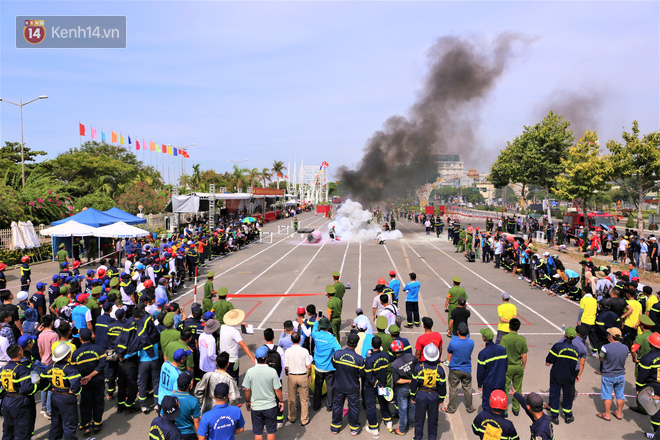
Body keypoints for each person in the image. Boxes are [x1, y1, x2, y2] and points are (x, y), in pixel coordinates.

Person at [243, 345, 284, 440]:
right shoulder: (272, 371)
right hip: (270, 407)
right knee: (270, 431)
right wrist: (281, 401)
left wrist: (248, 401)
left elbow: (247, 390)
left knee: (258, 432)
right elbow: (277, 390)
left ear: (256, 358)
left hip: (256, 407)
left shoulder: (250, 372)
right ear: (267, 358)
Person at [44, 341, 82, 440]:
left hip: (55, 396)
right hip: (67, 398)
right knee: (69, 424)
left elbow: (42, 381)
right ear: (68, 354)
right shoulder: (70, 369)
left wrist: (50, 388)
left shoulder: (50, 367)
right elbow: (76, 385)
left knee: (56, 423)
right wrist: (74, 392)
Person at [71, 328, 106, 435]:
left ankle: (85, 426)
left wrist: (84, 378)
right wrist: (91, 375)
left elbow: (73, 370)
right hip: (98, 381)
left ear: (80, 338)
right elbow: (102, 364)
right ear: (91, 336)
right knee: (98, 402)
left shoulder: (76, 353)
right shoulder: (99, 349)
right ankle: (96, 424)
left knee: (85, 403)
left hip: (84, 382)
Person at [1, 343, 38, 440]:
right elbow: (27, 389)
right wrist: (37, 386)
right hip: (21, 404)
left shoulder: (3, 369)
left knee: (8, 431)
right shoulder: (22, 369)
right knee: (22, 432)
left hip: (7, 403)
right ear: (19, 352)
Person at [330, 333, 364, 436]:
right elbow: (361, 374)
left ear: (347, 341)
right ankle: (354, 428)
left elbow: (334, 365)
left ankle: (335, 427)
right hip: (352, 387)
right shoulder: (359, 359)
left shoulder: (337, 354)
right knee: (353, 407)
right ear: (357, 344)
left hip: (339, 385)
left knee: (337, 405)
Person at [410, 343, 446, 440]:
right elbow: (442, 386)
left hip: (421, 395)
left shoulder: (418, 367)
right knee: (433, 421)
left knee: (419, 420)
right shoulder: (440, 370)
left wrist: (413, 396)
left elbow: (414, 384)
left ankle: (418, 438)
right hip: (434, 396)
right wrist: (441, 398)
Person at [544, 327, 579, 425]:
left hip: (556, 375)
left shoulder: (557, 346)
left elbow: (549, 359)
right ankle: (568, 416)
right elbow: (576, 364)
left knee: (555, 395)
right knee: (567, 395)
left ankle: (554, 417)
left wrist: (548, 361)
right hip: (569, 376)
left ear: (565, 335)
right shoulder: (576, 350)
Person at [596, 327, 629, 422]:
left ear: (611, 336)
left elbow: (601, 359)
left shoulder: (605, 347)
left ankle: (606, 414)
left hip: (608, 375)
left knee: (607, 395)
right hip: (620, 375)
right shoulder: (625, 348)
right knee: (620, 395)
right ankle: (618, 413)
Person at [443, 322, 475, 414]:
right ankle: (470, 407)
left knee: (453, 389)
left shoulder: (453, 343)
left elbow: (449, 351)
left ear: (457, 332)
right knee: (468, 388)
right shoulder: (471, 343)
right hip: (466, 369)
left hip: (455, 369)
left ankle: (451, 408)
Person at [364, 336, 393, 435]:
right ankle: (388, 421)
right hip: (383, 384)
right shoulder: (386, 356)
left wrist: (377, 384)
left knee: (371, 406)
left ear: (371, 345)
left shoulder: (369, 360)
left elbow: (368, 376)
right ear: (381, 345)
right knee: (384, 403)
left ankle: (374, 428)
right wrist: (381, 385)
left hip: (372, 386)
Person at [311, 317, 340, 412]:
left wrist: (316, 321)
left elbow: (314, 329)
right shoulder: (331, 338)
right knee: (330, 387)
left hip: (318, 367)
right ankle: (329, 406)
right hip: (329, 368)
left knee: (318, 386)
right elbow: (339, 350)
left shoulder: (316, 335)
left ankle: (316, 405)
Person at [283, 331, 312, 426]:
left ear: (291, 340)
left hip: (292, 376)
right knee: (304, 400)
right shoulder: (304, 351)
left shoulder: (287, 351)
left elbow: (286, 367)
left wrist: (287, 373)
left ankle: (292, 417)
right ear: (300, 340)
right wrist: (310, 375)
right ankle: (304, 419)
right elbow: (309, 366)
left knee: (291, 399)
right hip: (303, 376)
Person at [500, 318, 528, 416]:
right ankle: (516, 409)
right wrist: (523, 365)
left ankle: (505, 410)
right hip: (518, 366)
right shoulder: (522, 339)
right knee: (517, 388)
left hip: (507, 366)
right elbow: (524, 355)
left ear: (509, 326)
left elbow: (501, 352)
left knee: (506, 388)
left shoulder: (504, 338)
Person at [219, 309, 255, 382]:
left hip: (223, 358)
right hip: (232, 360)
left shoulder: (222, 327)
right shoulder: (234, 332)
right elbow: (243, 345)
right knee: (233, 379)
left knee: (223, 379)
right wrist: (252, 357)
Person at [390, 339, 417, 435]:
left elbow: (397, 380)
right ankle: (410, 425)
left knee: (403, 409)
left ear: (393, 351)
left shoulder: (394, 364)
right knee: (412, 407)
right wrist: (412, 381)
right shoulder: (411, 357)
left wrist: (408, 380)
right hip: (414, 387)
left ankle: (402, 429)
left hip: (403, 389)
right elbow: (417, 369)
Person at [477, 328, 507, 412]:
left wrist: (480, 383)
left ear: (483, 338)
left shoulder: (483, 353)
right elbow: (505, 365)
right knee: (500, 404)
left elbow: (480, 372)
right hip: (501, 382)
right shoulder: (502, 349)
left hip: (489, 384)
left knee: (487, 405)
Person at [172, 370, 201, 440]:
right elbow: (196, 420)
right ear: (189, 385)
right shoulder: (193, 400)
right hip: (188, 434)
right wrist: (200, 436)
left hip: (173, 432)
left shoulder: (170, 398)